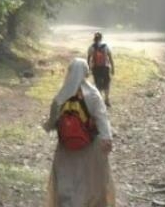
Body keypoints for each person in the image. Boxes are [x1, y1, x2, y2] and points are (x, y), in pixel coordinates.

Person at [43, 58, 115, 207]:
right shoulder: (93, 94)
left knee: (66, 177)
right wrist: (107, 138)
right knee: (88, 179)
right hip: (89, 146)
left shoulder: (61, 95)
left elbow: (52, 122)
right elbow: (101, 117)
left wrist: (48, 126)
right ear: (85, 73)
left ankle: (67, 203)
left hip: (65, 147)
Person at [87, 32, 114, 107]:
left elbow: (88, 58)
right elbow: (110, 57)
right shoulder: (106, 46)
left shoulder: (91, 47)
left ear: (94, 38)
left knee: (97, 84)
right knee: (107, 83)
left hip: (96, 68)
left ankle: (99, 100)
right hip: (105, 67)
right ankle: (107, 100)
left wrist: (88, 68)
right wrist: (113, 68)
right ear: (101, 38)